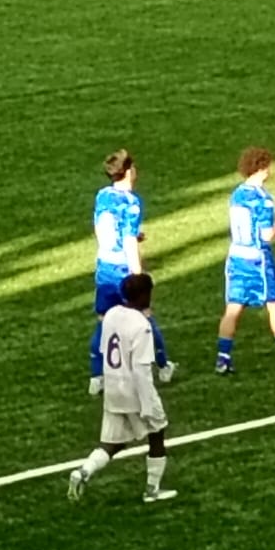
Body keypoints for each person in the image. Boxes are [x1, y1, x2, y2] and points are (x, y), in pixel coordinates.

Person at [67, 273, 175, 505]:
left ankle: (83, 471)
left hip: (113, 388)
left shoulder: (112, 315)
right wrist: (147, 404)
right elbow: (141, 370)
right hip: (134, 390)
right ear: (144, 295)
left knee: (113, 442)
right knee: (157, 433)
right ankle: (152, 490)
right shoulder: (142, 326)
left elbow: (104, 349)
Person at [216, 148, 275, 373]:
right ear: (261, 168)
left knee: (233, 308)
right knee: (274, 305)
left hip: (236, 257)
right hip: (257, 261)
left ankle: (223, 358)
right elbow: (266, 236)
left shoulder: (237, 194)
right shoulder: (263, 199)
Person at [87, 152, 171, 393]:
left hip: (104, 266)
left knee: (104, 321)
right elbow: (128, 241)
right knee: (144, 318)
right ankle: (163, 366)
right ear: (128, 171)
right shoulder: (131, 203)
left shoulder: (103, 195)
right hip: (124, 269)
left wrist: (133, 235)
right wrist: (137, 274)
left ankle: (97, 376)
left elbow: (106, 227)